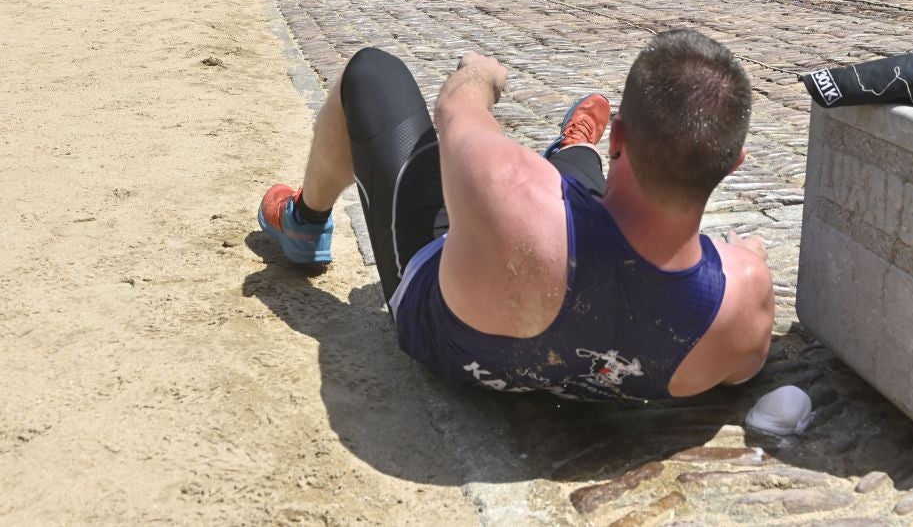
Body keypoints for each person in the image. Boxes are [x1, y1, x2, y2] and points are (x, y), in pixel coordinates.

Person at [257, 29, 773, 401]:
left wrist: (481, 74)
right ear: (734, 165)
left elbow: (457, 111)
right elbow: (740, 369)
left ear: (621, 138)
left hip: (445, 337)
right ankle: (576, 147)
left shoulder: (512, 186)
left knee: (369, 72)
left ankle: (304, 220)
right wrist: (742, 262)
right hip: (587, 343)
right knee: (588, 204)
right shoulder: (745, 298)